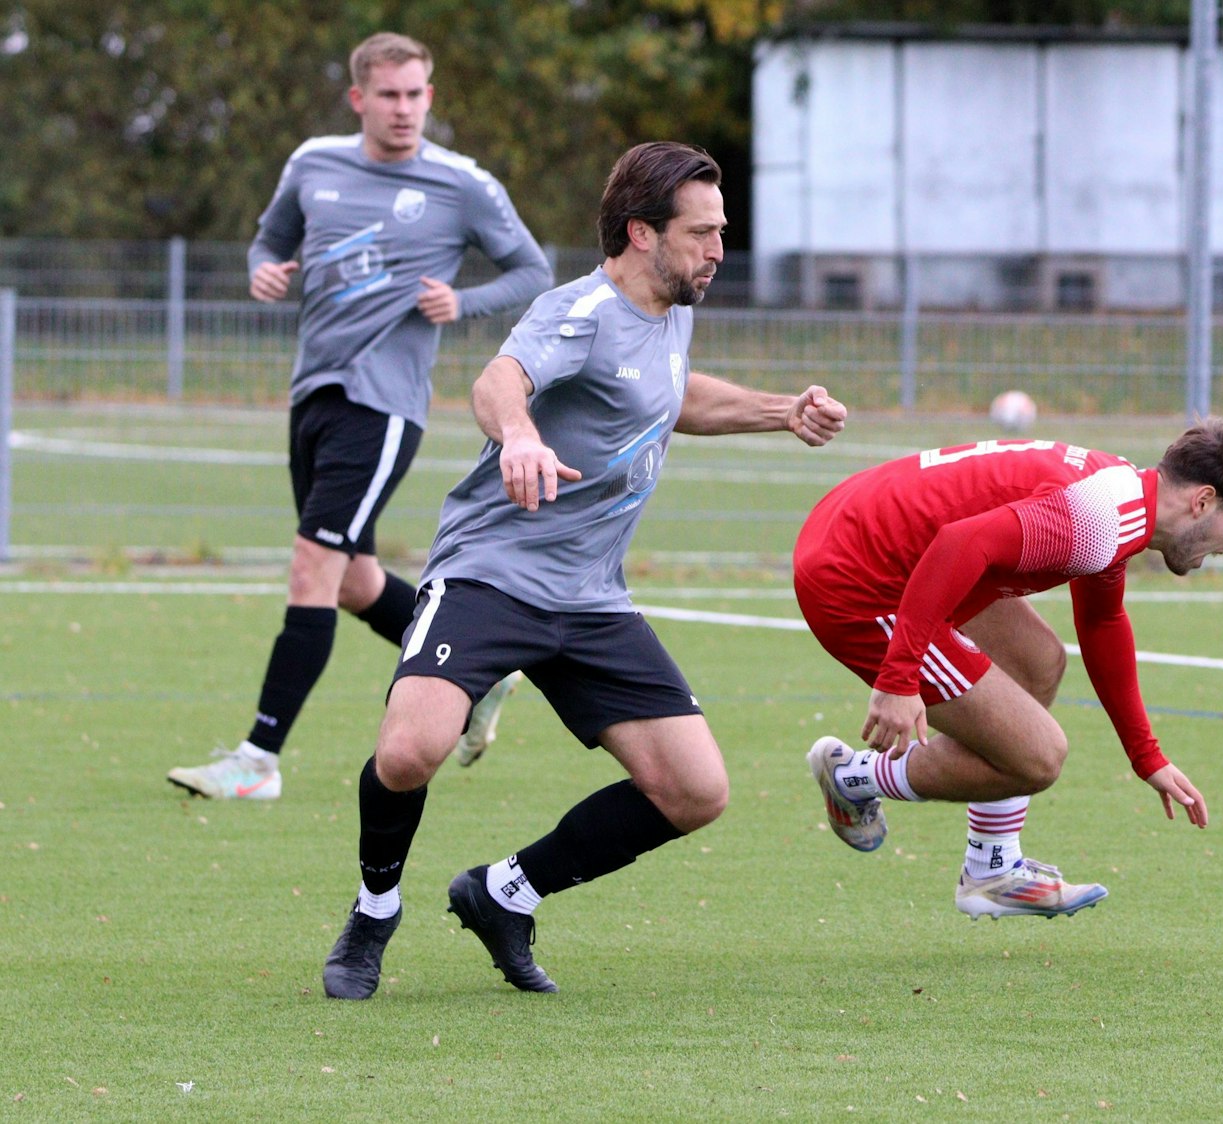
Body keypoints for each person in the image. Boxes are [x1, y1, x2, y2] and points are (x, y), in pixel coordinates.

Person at [321, 140, 846, 999]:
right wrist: (520, 436)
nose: (718, 249)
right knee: (411, 749)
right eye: (702, 232)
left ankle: (504, 894)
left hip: (592, 597)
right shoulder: (577, 311)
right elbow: (500, 380)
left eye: (721, 231)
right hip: (491, 575)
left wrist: (780, 410)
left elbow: (671, 393)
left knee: (694, 790)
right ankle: (376, 907)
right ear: (641, 233)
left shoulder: (672, 306)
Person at [169, 32, 551, 801]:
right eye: (389, 95)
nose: (405, 109)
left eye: (416, 95)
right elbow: (268, 240)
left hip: (381, 405)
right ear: (359, 99)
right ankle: (479, 678)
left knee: (313, 568)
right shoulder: (314, 164)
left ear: (429, 97)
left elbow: (533, 269)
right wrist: (264, 273)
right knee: (352, 582)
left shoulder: (460, 183)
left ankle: (258, 760)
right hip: (313, 393)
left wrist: (461, 302)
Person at [793, 422, 1223, 918]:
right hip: (858, 574)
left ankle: (992, 870)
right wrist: (898, 678)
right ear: (1202, 501)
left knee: (1037, 662)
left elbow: (1103, 620)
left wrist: (1146, 756)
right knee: (1038, 757)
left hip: (869, 531)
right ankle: (853, 776)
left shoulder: (1123, 494)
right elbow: (960, 545)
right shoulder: (1099, 520)